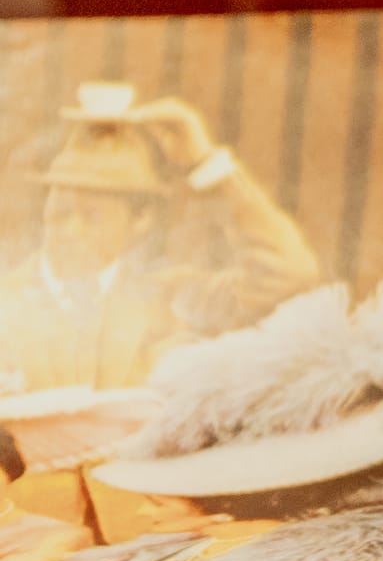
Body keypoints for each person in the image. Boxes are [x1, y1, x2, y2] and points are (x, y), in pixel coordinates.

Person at [0, 85, 319, 393]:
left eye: (91, 218)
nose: (70, 232)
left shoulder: (170, 298)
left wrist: (205, 163)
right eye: (60, 214)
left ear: (140, 221)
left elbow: (289, 275)